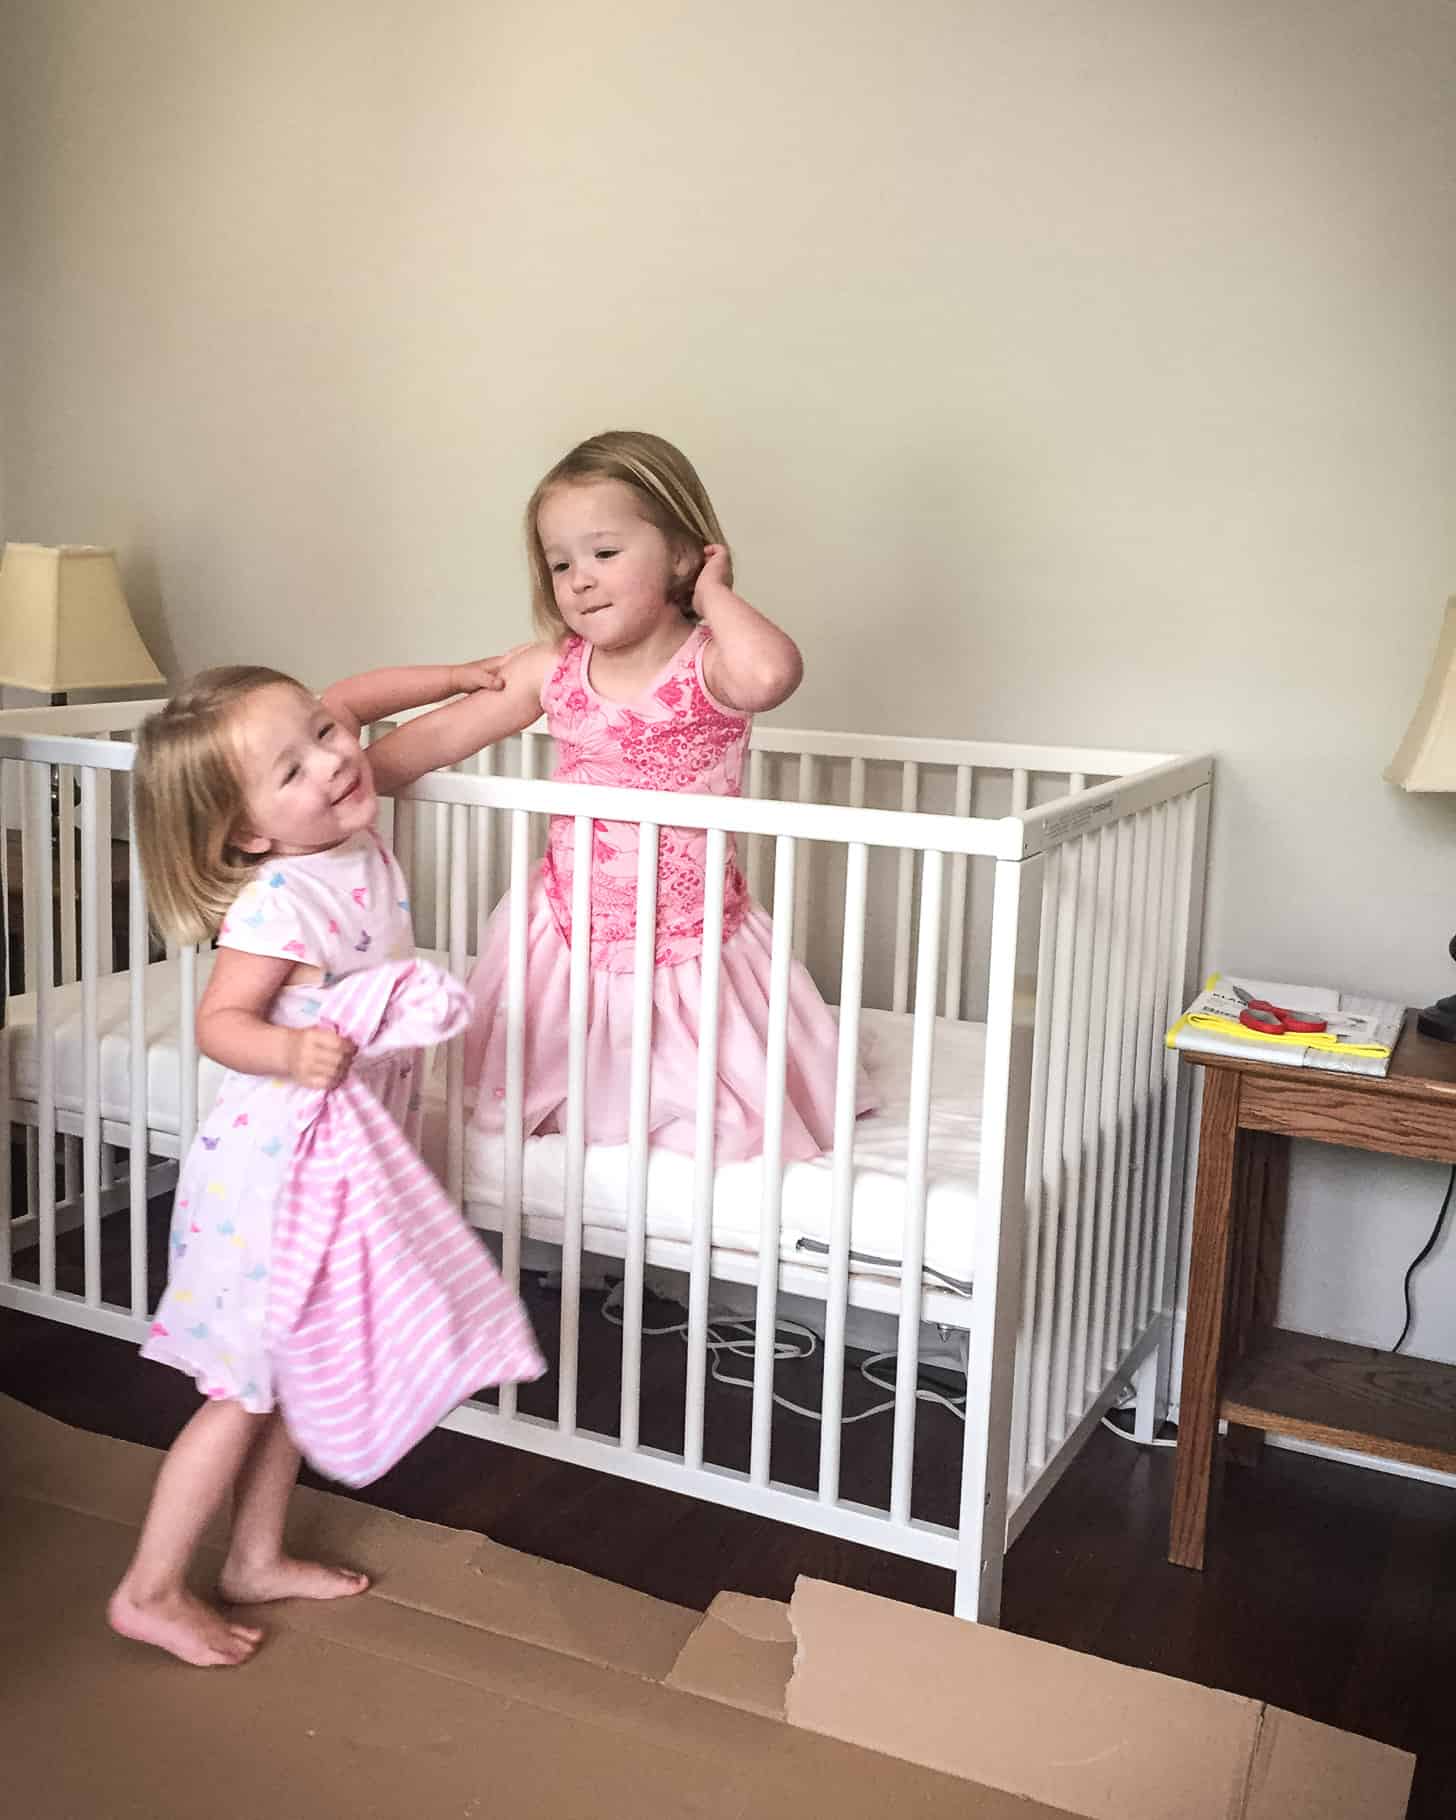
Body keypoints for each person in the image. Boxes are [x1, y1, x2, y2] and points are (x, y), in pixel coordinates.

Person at [108, 656, 541, 1668]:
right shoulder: (280, 897)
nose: (333, 760)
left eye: (325, 735)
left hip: (341, 1167)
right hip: (273, 1172)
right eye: (291, 768)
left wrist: (453, 676)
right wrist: (290, 1050)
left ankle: (254, 1555)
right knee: (241, 1391)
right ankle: (150, 1584)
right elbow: (222, 1022)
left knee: (297, 1375)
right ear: (250, 829)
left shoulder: (354, 826)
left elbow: (347, 702)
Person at [375, 430, 872, 1163]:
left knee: (709, 1096)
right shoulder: (553, 667)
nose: (579, 579)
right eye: (559, 563)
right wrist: (335, 784)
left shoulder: (714, 665)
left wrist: (713, 593)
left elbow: (772, 675)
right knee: (551, 1064)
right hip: (570, 921)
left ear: (679, 552)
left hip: (690, 929)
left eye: (604, 554)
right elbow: (431, 742)